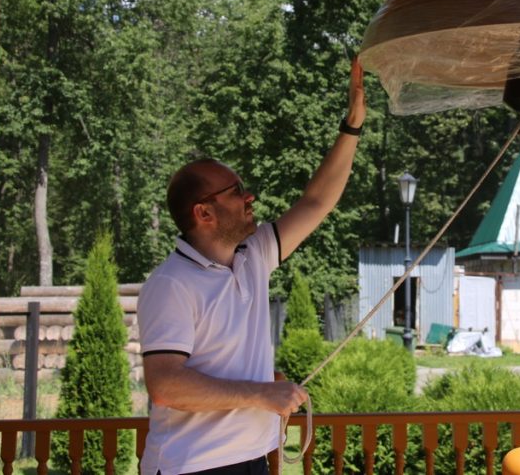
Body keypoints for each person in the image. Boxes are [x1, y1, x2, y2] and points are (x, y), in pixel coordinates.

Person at [137, 59, 366, 475]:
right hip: (191, 467)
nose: (250, 197)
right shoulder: (171, 284)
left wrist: (351, 127)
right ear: (204, 213)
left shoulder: (254, 256)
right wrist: (261, 393)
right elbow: (166, 385)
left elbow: (316, 202)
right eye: (237, 191)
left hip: (251, 460)